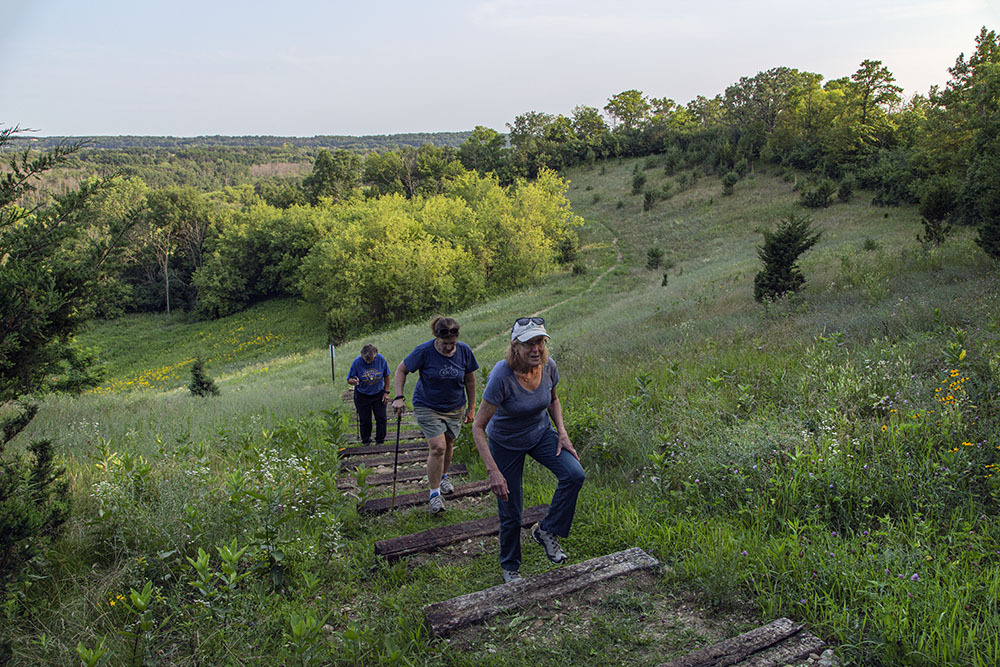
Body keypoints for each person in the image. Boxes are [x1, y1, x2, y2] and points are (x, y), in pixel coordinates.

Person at [472, 317, 584, 584]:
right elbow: (478, 428)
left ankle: (547, 530)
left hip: (540, 433)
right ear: (515, 346)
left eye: (540, 342)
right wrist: (493, 472)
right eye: (529, 344)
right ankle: (510, 566)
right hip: (506, 441)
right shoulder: (501, 376)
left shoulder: (548, 366)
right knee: (511, 508)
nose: (536, 349)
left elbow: (553, 400)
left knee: (574, 474)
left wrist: (563, 434)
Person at [392, 316, 478, 513]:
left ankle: (444, 475)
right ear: (436, 337)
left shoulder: (464, 351)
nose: (449, 348)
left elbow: (470, 381)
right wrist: (398, 396)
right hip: (427, 405)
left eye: (452, 344)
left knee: (448, 444)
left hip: (455, 407)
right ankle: (434, 494)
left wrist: (472, 407)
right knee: (438, 447)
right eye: (445, 344)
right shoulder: (424, 351)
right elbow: (401, 370)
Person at [347, 344, 391, 446]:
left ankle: (380, 440)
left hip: (378, 392)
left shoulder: (381, 360)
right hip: (362, 394)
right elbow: (349, 379)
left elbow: (386, 376)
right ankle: (366, 440)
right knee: (365, 420)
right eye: (366, 360)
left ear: (375, 356)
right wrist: (354, 381)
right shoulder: (357, 362)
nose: (368, 362)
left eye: (370, 360)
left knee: (381, 418)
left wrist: (386, 392)